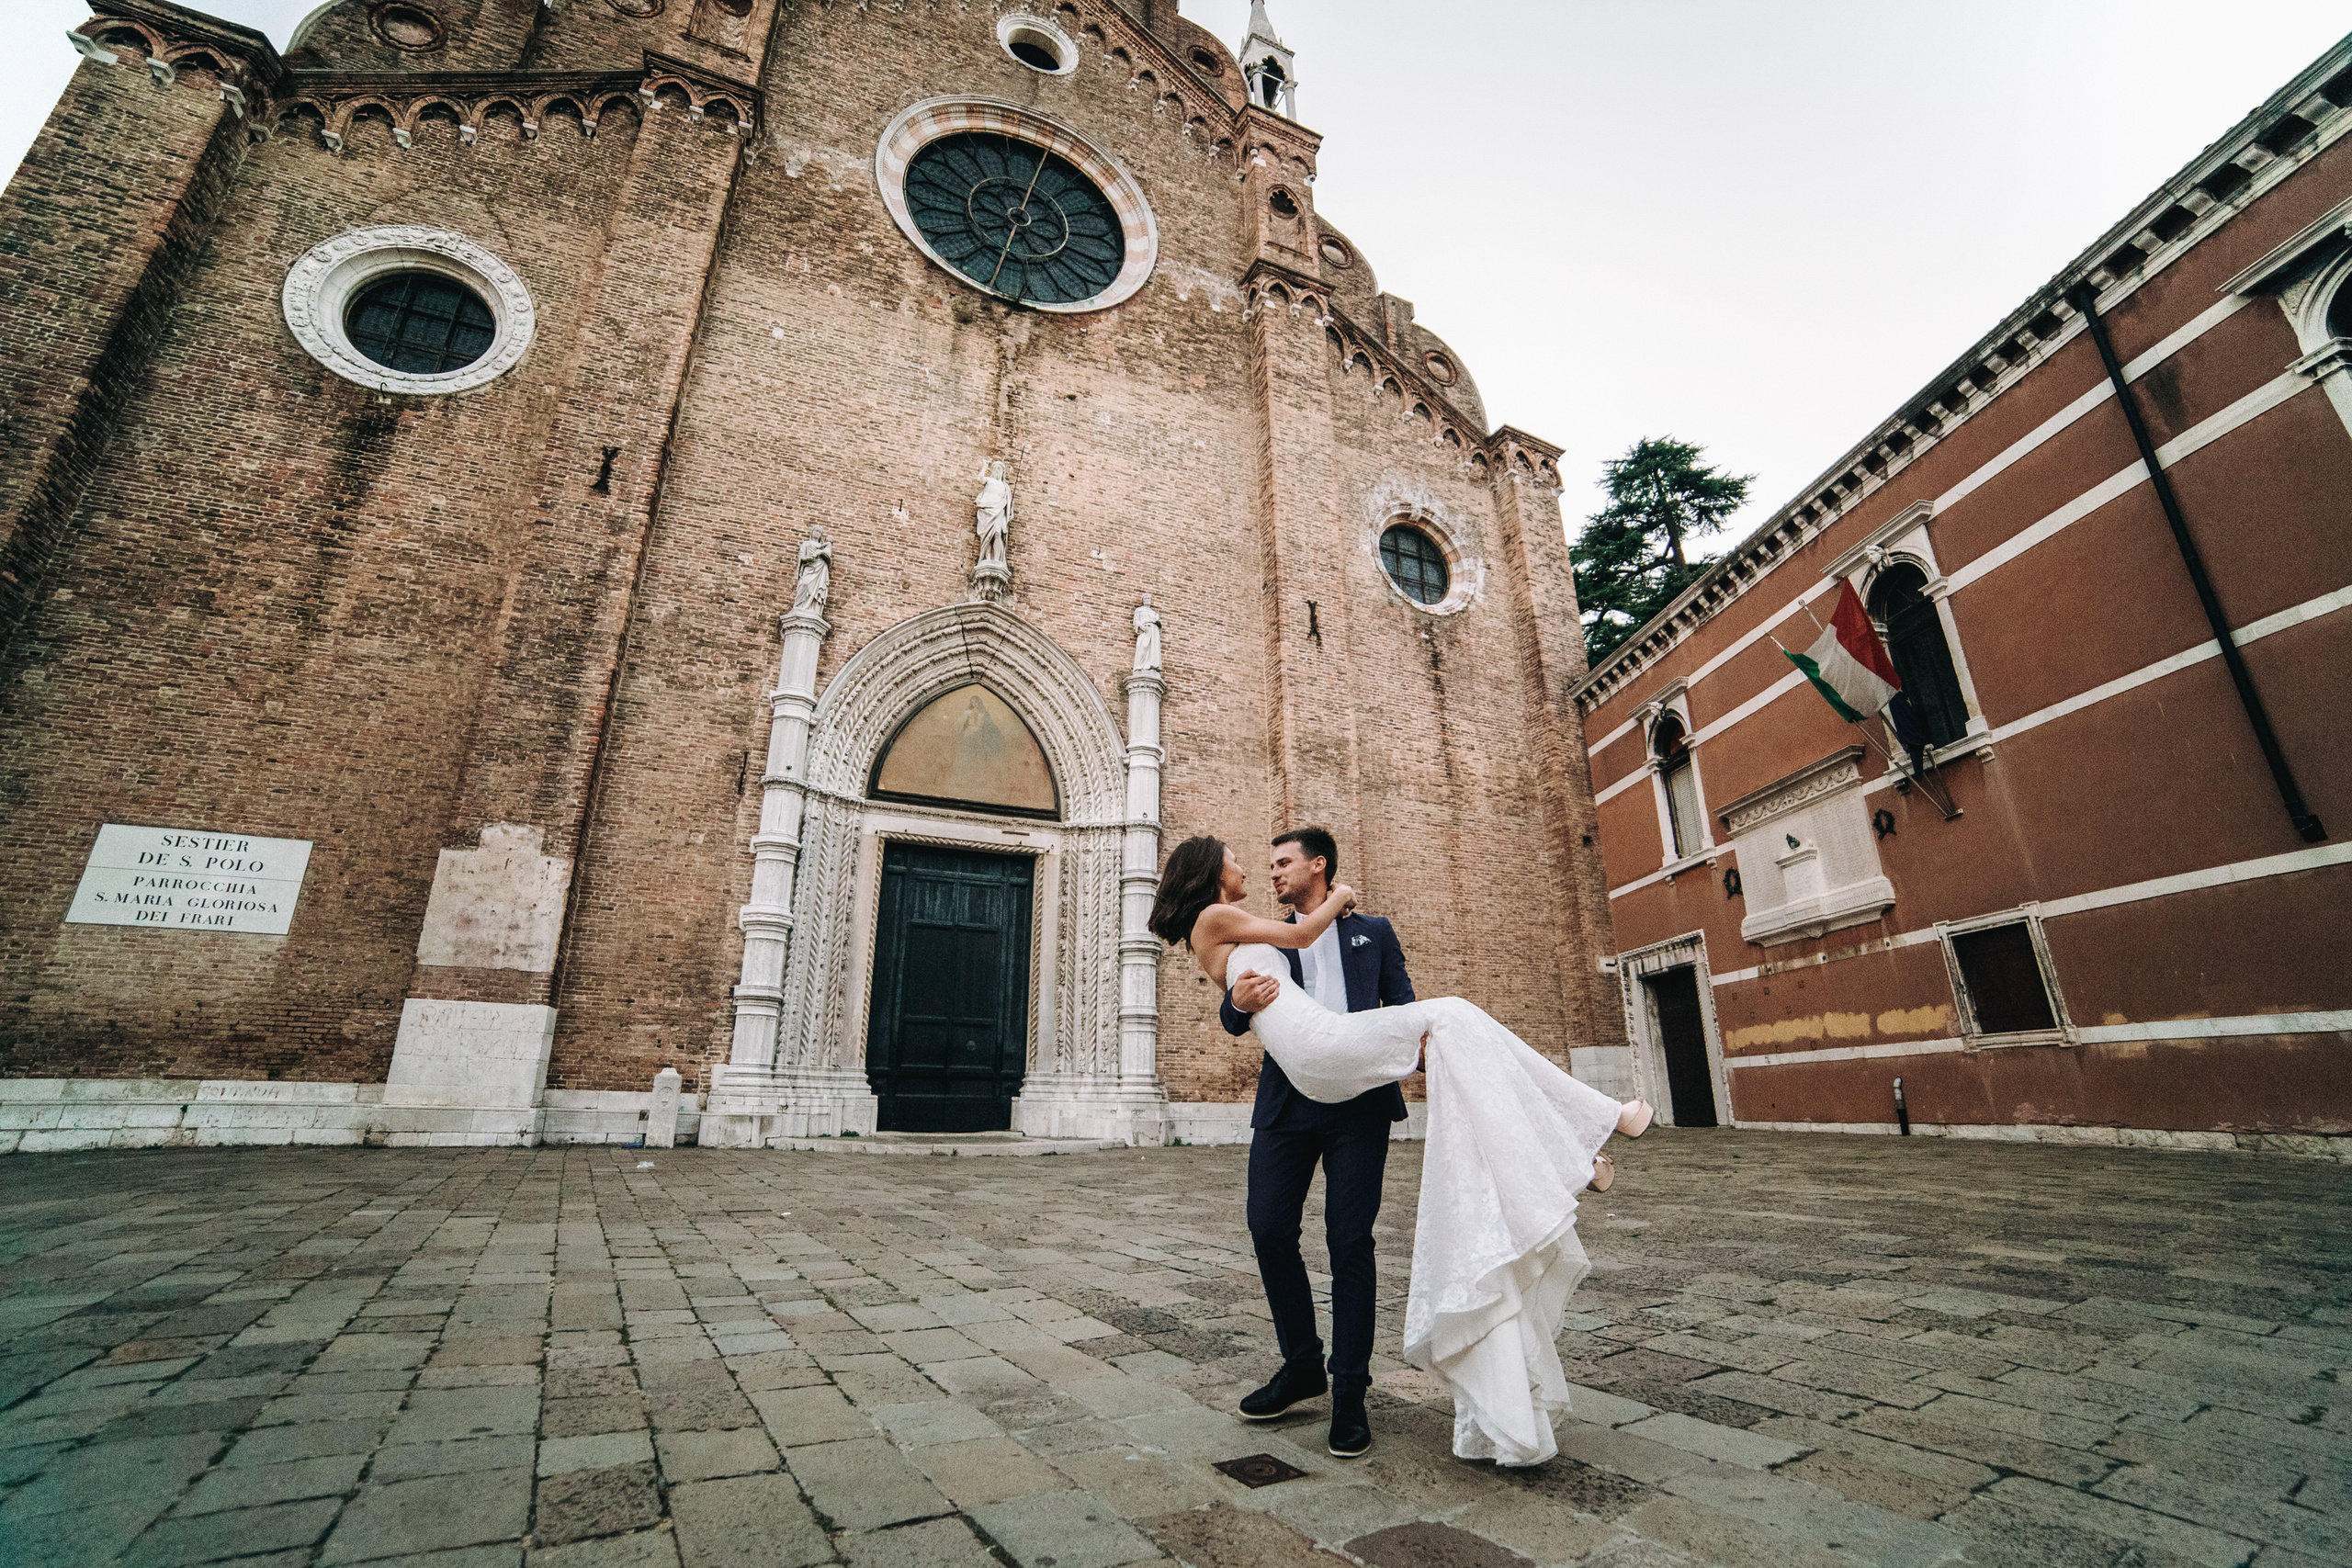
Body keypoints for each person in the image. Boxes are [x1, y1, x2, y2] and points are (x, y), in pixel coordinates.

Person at [1148, 832, 1653, 1467]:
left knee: (1350, 1242)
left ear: (1316, 864)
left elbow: (1401, 1004)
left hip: (1358, 1100)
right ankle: (1301, 1366)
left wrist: (1411, 1053)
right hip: (1291, 1100)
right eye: (1259, 863)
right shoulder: (1251, 926)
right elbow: (1240, 1002)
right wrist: (1236, 1001)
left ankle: (1349, 1393)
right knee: (1269, 1229)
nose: (1267, 870)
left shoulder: (1373, 933)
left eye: (1282, 862)